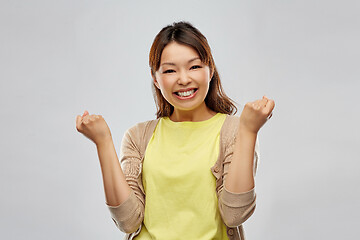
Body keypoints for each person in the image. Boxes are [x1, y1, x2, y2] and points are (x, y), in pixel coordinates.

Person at [76, 21, 275, 240]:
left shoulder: (234, 130)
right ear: (155, 79)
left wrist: (248, 131)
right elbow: (127, 221)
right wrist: (103, 142)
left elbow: (235, 214)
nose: (183, 79)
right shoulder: (138, 137)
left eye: (194, 66)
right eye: (170, 70)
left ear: (210, 71)